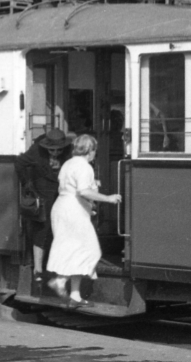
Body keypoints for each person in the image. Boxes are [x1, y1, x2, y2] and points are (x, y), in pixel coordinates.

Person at [46, 133, 122, 307]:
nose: (95, 153)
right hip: (73, 210)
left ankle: (75, 296)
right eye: (94, 150)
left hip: (62, 207)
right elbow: (83, 192)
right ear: (90, 150)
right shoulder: (84, 167)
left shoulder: (68, 163)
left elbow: (72, 187)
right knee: (91, 251)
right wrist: (108, 198)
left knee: (74, 249)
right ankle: (61, 281)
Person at [15, 128, 71, 290]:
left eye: (59, 150)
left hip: (61, 193)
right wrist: (27, 183)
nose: (55, 153)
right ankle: (38, 270)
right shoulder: (36, 151)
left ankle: (56, 267)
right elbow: (19, 163)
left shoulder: (68, 151)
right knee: (42, 229)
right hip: (43, 193)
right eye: (52, 150)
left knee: (60, 230)